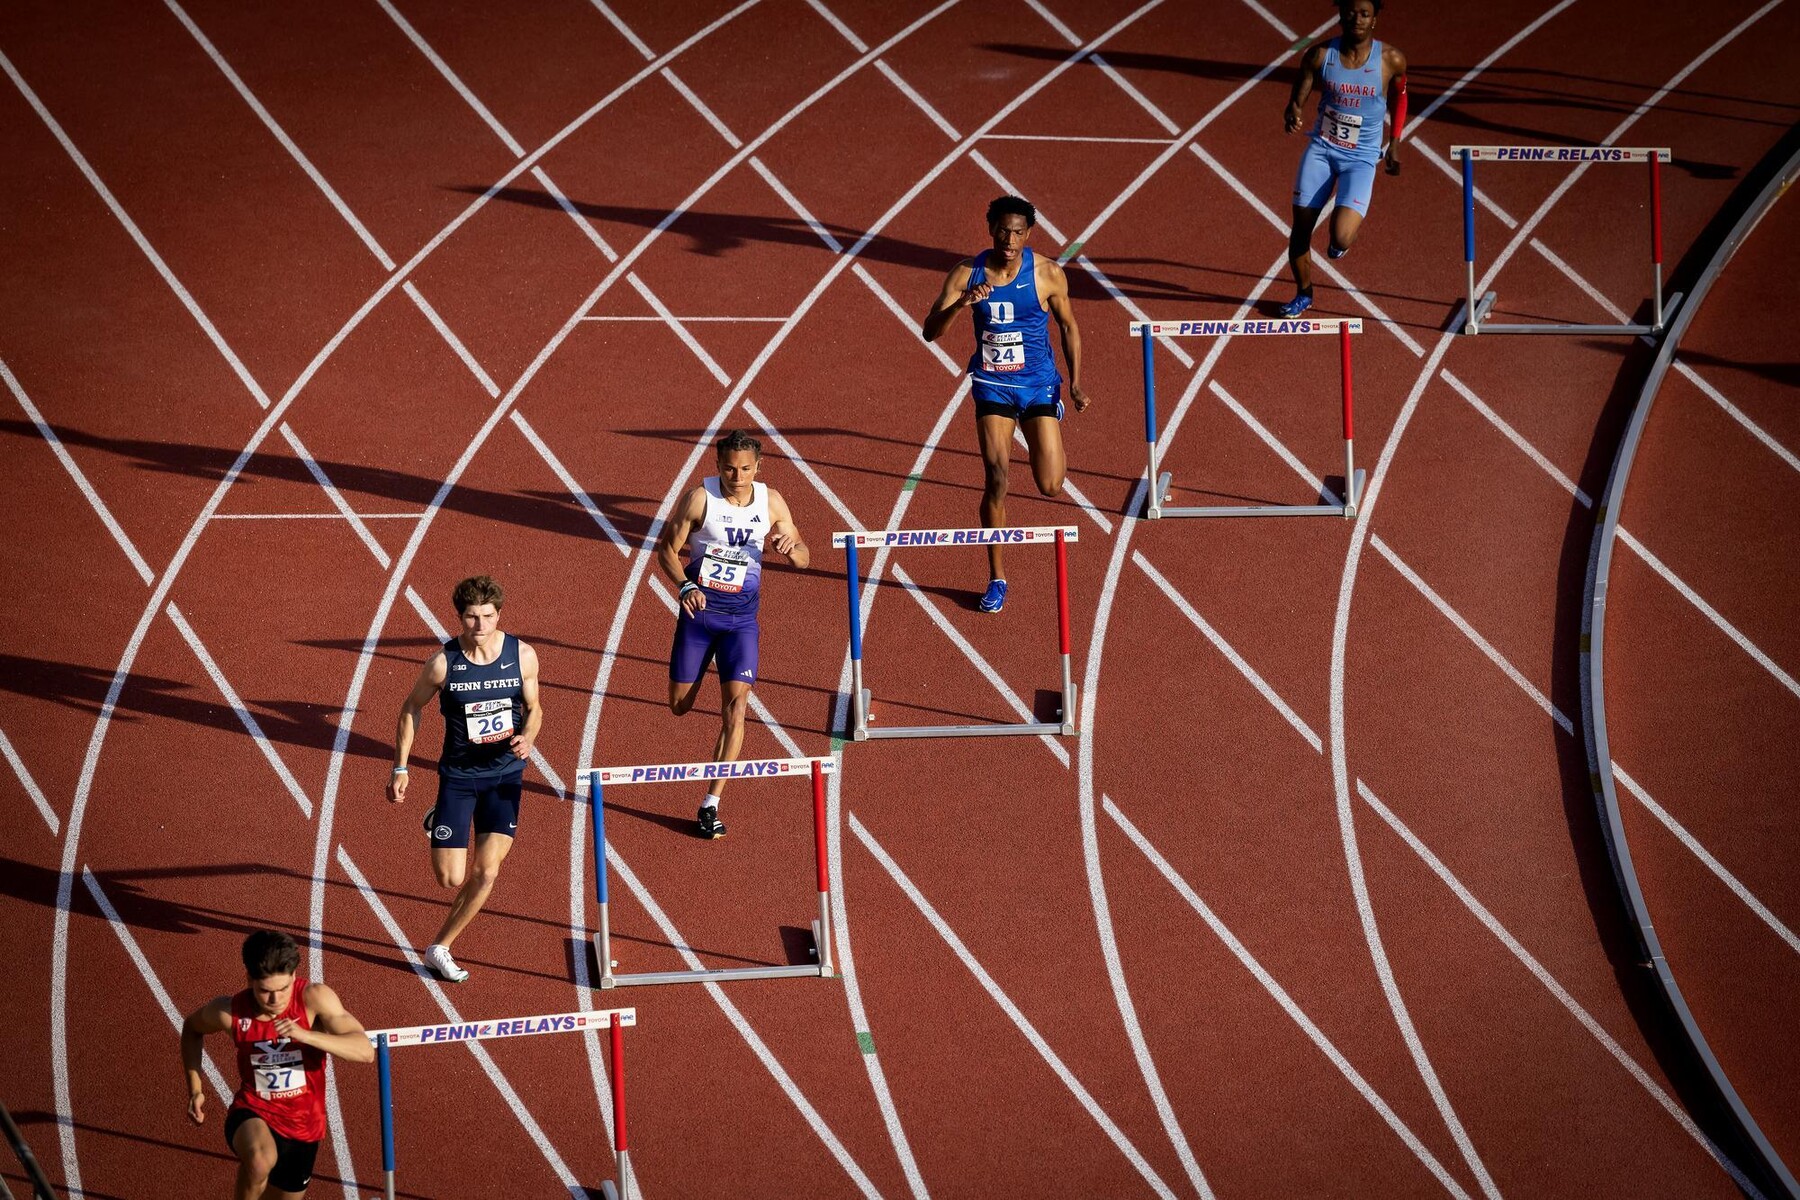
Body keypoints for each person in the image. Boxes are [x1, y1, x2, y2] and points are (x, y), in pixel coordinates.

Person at [922, 194, 1089, 613]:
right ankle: (997, 577)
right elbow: (930, 332)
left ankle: (1052, 415)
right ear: (990, 229)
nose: (1009, 239)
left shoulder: (1048, 274)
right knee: (996, 477)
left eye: (1017, 232)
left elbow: (1069, 328)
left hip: (1038, 385)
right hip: (992, 385)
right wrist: (963, 304)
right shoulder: (966, 273)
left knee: (1051, 486)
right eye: (1002, 230)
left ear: (1028, 234)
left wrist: (1075, 384)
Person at [385, 574, 541, 982]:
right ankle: (438, 816)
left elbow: (535, 706)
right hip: (458, 777)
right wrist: (400, 767)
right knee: (448, 878)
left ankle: (441, 946)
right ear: (459, 618)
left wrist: (529, 737)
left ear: (498, 615)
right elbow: (410, 708)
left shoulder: (522, 655)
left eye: (488, 616)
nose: (480, 626)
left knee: (486, 871)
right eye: (472, 618)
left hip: (505, 775)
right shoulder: (442, 663)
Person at [656, 430, 809, 838]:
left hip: (742, 622)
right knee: (679, 705)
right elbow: (666, 551)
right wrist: (685, 586)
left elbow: (803, 558)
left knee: (737, 709)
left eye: (744, 469)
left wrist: (789, 547)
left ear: (758, 468)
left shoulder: (771, 501)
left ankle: (711, 803)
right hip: (700, 617)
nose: (736, 476)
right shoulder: (699, 499)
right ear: (716, 465)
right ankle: (699, 676)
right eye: (728, 468)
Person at [181, 930, 372, 1199]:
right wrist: (195, 1087)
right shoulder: (230, 1012)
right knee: (260, 1161)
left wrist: (305, 1035)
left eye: (283, 989)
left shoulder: (314, 999)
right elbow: (191, 1029)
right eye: (265, 991)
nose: (275, 1000)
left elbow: (364, 1050)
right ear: (249, 980)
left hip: (304, 1127)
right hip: (253, 1110)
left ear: (294, 976)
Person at [1278, 0, 1408, 317]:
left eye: (1364, 14)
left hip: (1361, 159)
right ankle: (1304, 293)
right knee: (1300, 230)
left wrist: (1394, 142)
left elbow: (1399, 96)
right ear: (1340, 16)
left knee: (1340, 236)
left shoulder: (1390, 59)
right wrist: (1293, 111)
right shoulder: (1321, 55)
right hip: (1322, 149)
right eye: (1351, 12)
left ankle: (1340, 243)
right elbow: (1299, 93)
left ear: (1375, 19)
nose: (1357, 19)